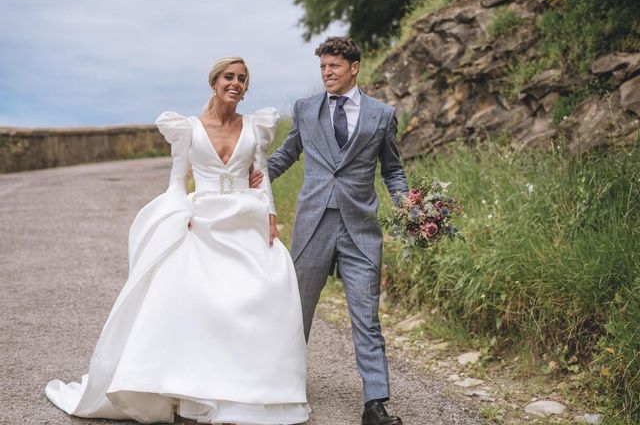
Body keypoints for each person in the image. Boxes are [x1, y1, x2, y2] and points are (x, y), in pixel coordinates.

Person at [45, 57, 310, 425]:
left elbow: (260, 175)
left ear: (246, 88)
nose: (236, 83)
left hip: (246, 221)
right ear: (214, 83)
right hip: (201, 221)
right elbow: (175, 182)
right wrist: (177, 216)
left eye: (242, 79)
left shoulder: (256, 126)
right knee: (194, 300)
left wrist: (271, 221)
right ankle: (190, 385)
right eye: (229, 77)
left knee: (257, 295)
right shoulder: (186, 127)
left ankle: (247, 386)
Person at [255, 36, 408, 425]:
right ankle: (281, 385)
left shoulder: (382, 115)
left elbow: (392, 169)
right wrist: (251, 180)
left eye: (334, 67)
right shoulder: (306, 110)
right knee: (297, 309)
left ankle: (375, 403)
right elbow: (288, 153)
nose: (326, 73)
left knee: (366, 316)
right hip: (313, 224)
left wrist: (406, 201)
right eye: (322, 67)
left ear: (354, 68)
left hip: (361, 228)